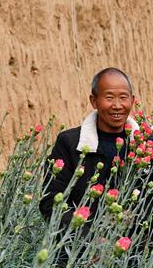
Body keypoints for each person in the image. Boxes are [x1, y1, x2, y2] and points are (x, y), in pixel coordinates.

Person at [41, 67, 140, 229]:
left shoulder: (145, 145)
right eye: (109, 97)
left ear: (132, 100)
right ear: (93, 101)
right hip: (79, 249)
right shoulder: (70, 143)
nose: (117, 105)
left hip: (135, 248)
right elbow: (50, 202)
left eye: (123, 97)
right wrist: (88, 239)